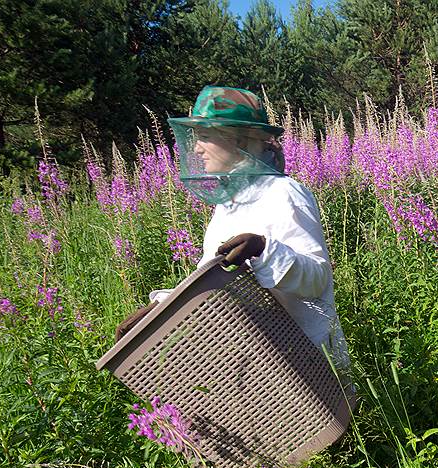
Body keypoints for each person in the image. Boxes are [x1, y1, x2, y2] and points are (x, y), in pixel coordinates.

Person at [115, 86, 349, 371]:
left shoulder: (283, 193)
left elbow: (317, 279)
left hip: (308, 364)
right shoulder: (228, 204)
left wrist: (263, 249)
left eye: (205, 137)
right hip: (257, 364)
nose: (196, 149)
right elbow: (209, 282)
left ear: (237, 139)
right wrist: (158, 312)